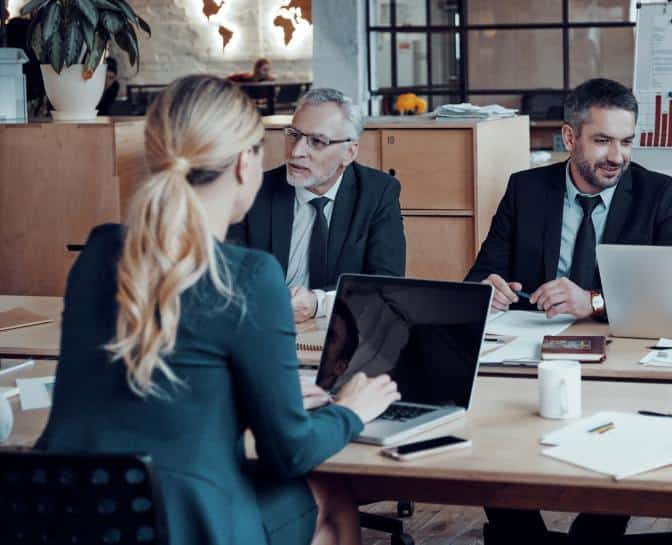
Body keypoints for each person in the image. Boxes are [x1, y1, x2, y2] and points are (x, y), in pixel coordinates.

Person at [36, 74, 401, 545]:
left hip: (71, 517)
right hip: (188, 526)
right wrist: (351, 409)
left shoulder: (97, 254)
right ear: (245, 165)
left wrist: (260, 391)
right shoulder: (250, 276)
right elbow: (289, 455)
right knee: (328, 494)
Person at [465, 77, 672, 545]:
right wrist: (489, 287)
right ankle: (522, 533)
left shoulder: (659, 195)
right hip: (531, 354)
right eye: (603, 141)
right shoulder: (526, 189)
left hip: (619, 359)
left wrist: (594, 302)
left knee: (628, 434)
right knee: (485, 425)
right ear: (570, 138)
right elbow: (480, 274)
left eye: (627, 142)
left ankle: (596, 533)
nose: (617, 156)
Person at [228, 87, 406, 323]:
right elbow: (228, 278)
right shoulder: (256, 190)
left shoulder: (377, 193)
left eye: (317, 141)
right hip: (265, 325)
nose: (296, 151)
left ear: (349, 153)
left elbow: (386, 285)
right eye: (293, 134)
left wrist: (318, 303)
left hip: (344, 330)